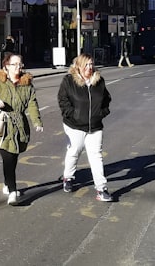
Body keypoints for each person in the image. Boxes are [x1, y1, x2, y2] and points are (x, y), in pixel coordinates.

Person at [0, 54, 43, 206]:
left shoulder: (27, 84)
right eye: (14, 64)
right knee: (7, 158)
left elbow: (32, 104)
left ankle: (7, 183)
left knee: (14, 157)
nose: (18, 67)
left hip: (19, 127)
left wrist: (37, 121)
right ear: (6, 66)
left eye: (20, 64)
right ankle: (12, 191)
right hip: (2, 126)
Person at [58, 54, 114, 202]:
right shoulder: (69, 81)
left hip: (95, 126)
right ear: (78, 66)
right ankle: (68, 178)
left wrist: (101, 113)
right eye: (86, 65)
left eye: (91, 64)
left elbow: (106, 99)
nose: (89, 68)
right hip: (75, 125)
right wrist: (73, 114)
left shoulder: (98, 81)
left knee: (96, 157)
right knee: (74, 151)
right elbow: (63, 100)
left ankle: (101, 189)